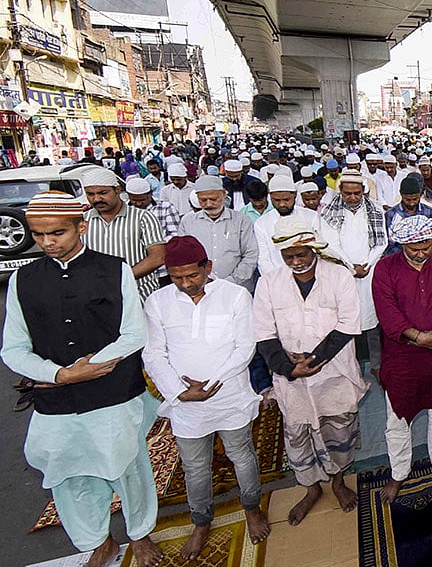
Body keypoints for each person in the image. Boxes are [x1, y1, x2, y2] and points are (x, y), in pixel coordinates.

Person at [1, 191, 162, 567]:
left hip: (113, 392)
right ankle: (98, 541)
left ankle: (140, 533)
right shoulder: (23, 279)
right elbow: (13, 348)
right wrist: (60, 375)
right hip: (56, 399)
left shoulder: (114, 269)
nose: (47, 242)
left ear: (82, 227)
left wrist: (92, 368)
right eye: (38, 235)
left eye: (57, 233)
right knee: (69, 477)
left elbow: (134, 334)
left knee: (128, 467)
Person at [142, 236, 268, 560]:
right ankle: (201, 521)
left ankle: (252, 508)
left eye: (192, 276)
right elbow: (154, 354)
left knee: (241, 455)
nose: (185, 284)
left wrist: (212, 382)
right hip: (185, 403)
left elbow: (245, 348)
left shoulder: (236, 296)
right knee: (195, 467)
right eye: (177, 278)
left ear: (207, 268)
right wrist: (179, 392)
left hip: (229, 396)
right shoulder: (158, 302)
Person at [253, 215, 368, 524]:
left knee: (338, 430)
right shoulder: (269, 283)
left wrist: (313, 361)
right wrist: (288, 369)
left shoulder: (339, 276)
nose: (296, 260)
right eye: (289, 256)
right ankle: (311, 489)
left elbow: (348, 325)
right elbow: (263, 333)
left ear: (313, 249)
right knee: (299, 436)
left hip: (333, 374)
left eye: (301, 254)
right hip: (292, 378)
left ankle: (338, 482)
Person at [372, 215, 432, 503]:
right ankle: (399, 472)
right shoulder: (385, 269)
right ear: (400, 244)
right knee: (398, 417)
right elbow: (387, 313)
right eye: (414, 248)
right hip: (402, 355)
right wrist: (418, 337)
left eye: (426, 245)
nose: (422, 252)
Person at [320, 170, 388, 383]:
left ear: (363, 192)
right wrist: (351, 267)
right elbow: (331, 244)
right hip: (342, 273)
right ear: (340, 191)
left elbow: (381, 242)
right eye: (347, 193)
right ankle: (353, 367)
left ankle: (377, 365)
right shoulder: (329, 214)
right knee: (346, 321)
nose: (352, 198)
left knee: (373, 321)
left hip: (369, 272)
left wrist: (366, 264)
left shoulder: (375, 211)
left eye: (356, 193)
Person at [81, 167, 166, 301]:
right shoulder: (82, 221)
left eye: (103, 193)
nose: (97, 199)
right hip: (98, 297)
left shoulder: (143, 217)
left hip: (140, 295)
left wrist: (122, 278)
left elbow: (158, 257)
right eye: (90, 194)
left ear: (118, 190)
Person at [177, 175, 258, 292]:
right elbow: (183, 256)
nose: (209, 204)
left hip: (237, 288)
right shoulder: (188, 222)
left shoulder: (241, 220)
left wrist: (231, 281)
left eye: (213, 199)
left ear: (224, 195)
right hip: (201, 289)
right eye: (203, 200)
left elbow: (250, 255)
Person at [254, 175, 337, 275]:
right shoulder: (262, 223)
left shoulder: (311, 216)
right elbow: (263, 259)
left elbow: (320, 250)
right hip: (278, 278)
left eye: (286, 199)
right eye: (277, 200)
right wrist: (277, 281)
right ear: (270, 197)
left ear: (295, 195)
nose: (282, 204)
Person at [384, 175, 432, 254]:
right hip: (400, 261)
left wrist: (427, 254)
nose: (412, 203)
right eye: (408, 200)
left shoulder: (430, 212)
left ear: (420, 195)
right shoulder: (391, 214)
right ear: (401, 195)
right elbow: (389, 244)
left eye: (415, 199)